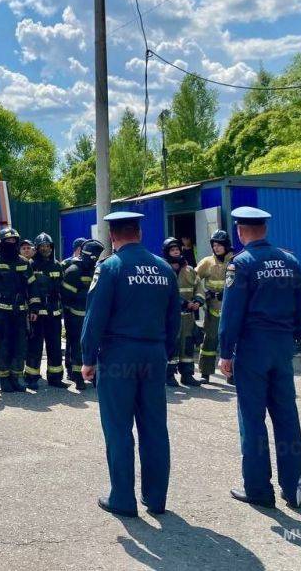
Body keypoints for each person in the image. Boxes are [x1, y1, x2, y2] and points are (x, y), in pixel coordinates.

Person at [81, 212, 181, 517]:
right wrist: (165, 352)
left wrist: (87, 358)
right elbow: (174, 320)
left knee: (118, 428)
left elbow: (94, 317)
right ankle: (157, 499)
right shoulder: (165, 269)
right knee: (154, 428)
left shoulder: (110, 267)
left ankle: (123, 499)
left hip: (118, 356)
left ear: (113, 236)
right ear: (139, 231)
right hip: (154, 354)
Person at [220, 206, 301, 509]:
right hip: (282, 345)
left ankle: (258, 489)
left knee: (253, 420)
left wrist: (224, 352)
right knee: (287, 417)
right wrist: (292, 336)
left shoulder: (241, 264)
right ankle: (294, 488)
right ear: (265, 230)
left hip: (253, 348)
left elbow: (231, 313)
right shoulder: (290, 261)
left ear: (241, 232)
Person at [0, 227, 38, 394]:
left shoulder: (23, 262)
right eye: (8, 241)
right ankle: (4, 379)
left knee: (20, 346)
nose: (11, 244)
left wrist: (34, 307)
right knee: (3, 346)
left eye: (14, 241)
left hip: (20, 312)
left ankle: (15, 378)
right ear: (1, 242)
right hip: (0, 312)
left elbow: (32, 286)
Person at [25, 233, 68, 390]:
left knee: (55, 346)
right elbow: (28, 289)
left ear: (52, 247)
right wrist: (32, 309)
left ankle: (55, 378)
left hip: (54, 313)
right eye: (42, 246)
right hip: (37, 313)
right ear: (37, 248)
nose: (45, 249)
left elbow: (62, 288)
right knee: (35, 346)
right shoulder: (31, 265)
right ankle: (31, 377)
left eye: (48, 246)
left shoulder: (57, 265)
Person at [60, 239, 103, 390]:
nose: (95, 260)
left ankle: (94, 374)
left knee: (95, 346)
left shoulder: (96, 270)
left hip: (93, 316)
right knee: (78, 346)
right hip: (76, 317)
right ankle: (78, 377)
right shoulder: (73, 271)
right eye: (93, 257)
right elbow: (66, 297)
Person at [163, 237, 205, 388]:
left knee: (187, 345)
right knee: (172, 345)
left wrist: (198, 301)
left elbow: (199, 288)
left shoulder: (190, 270)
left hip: (188, 317)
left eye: (177, 249)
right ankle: (169, 375)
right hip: (171, 317)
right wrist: (184, 303)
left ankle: (187, 375)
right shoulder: (163, 269)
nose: (175, 252)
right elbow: (165, 292)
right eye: (172, 250)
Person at [195, 229, 233, 384]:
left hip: (231, 310)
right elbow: (194, 280)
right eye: (214, 245)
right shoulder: (207, 262)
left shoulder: (235, 261)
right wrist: (204, 294)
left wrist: (228, 293)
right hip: (212, 309)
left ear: (226, 245)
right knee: (210, 340)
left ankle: (232, 374)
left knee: (232, 342)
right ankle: (205, 372)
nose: (216, 248)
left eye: (219, 245)